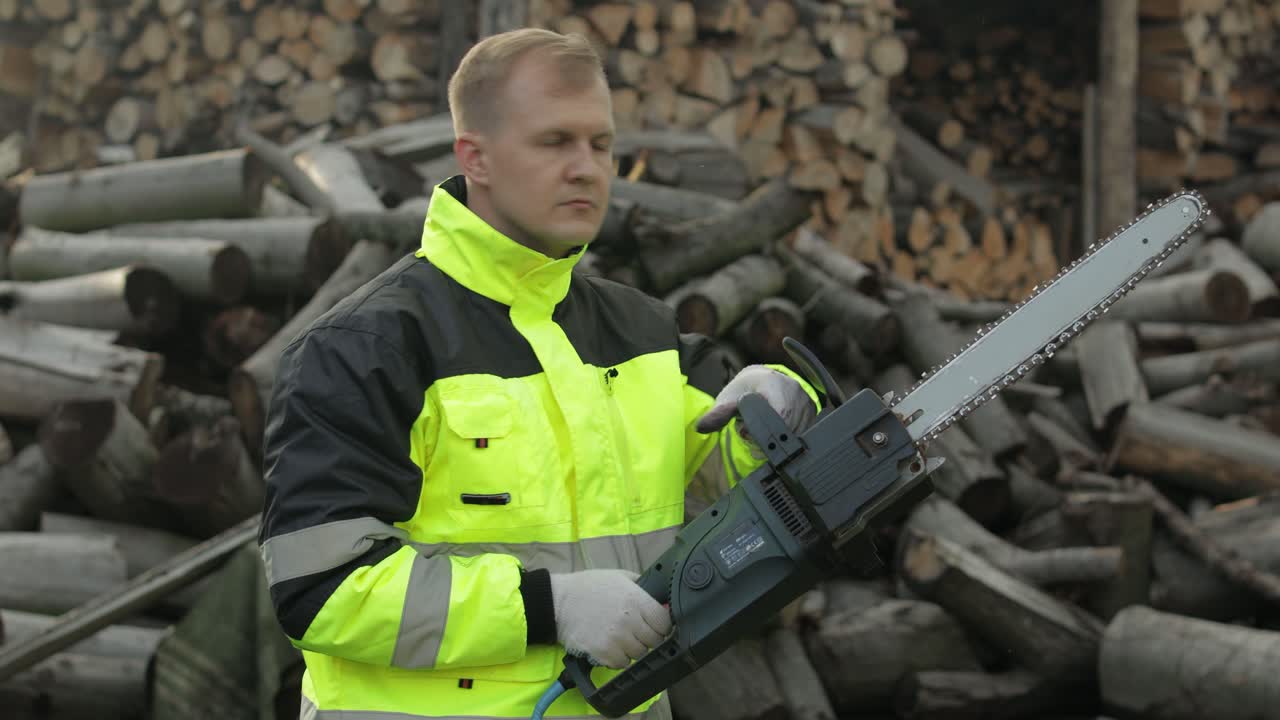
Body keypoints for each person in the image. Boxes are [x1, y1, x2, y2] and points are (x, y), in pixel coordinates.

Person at [257, 27, 819, 720]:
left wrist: (779, 409)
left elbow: (726, 457)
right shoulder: (367, 347)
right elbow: (321, 588)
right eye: (555, 142)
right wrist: (547, 606)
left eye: (602, 144)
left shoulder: (641, 332)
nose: (587, 167)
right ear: (477, 158)